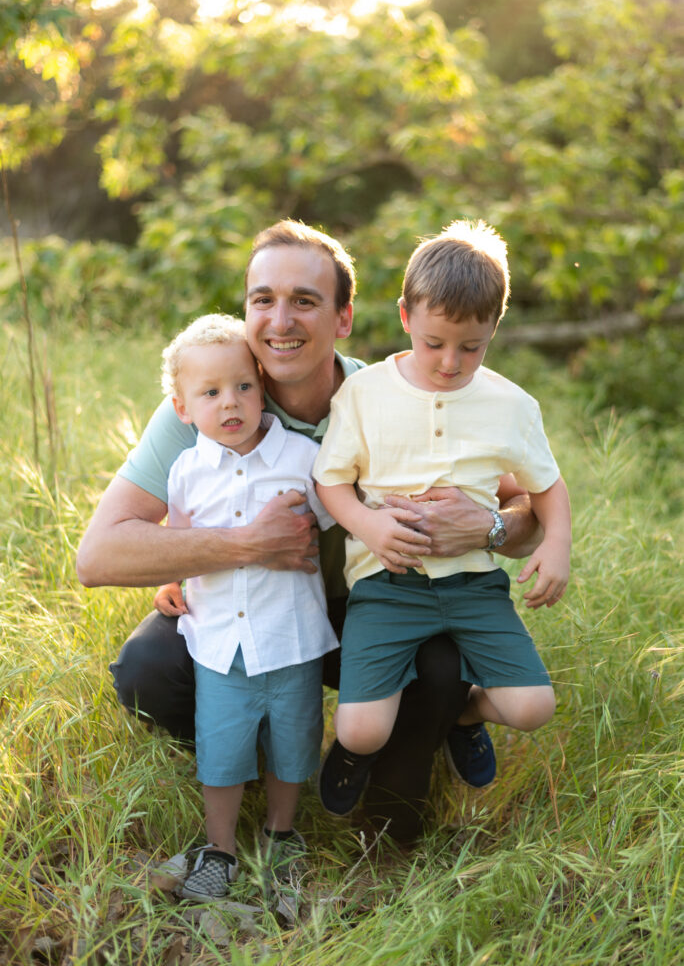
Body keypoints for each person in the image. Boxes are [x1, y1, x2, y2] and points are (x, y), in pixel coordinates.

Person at [77, 219, 543, 843]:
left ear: (343, 318)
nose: (280, 320)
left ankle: (389, 806)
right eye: (262, 300)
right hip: (247, 604)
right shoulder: (210, 397)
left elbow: (528, 518)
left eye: (305, 301)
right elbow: (97, 555)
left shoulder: (391, 398)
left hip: (368, 608)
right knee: (148, 668)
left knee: (440, 661)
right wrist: (237, 547)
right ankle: (258, 767)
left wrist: (485, 526)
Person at [313, 219, 571, 816]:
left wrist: (556, 543)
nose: (451, 362)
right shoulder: (365, 394)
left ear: (493, 330)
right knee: (361, 730)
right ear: (405, 316)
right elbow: (332, 481)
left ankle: (463, 713)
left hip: (475, 586)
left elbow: (547, 484)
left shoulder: (510, 405)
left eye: (471, 347)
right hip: (387, 584)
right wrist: (370, 526)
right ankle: (353, 756)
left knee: (533, 707)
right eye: (434, 343)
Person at [152, 312, 339, 901]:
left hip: (293, 637)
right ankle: (221, 849)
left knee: (294, 744)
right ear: (184, 409)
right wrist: (169, 580)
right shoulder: (185, 471)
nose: (229, 403)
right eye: (210, 393)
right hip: (218, 645)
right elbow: (176, 537)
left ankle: (282, 835)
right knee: (222, 752)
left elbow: (341, 521)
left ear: (262, 387)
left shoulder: (301, 460)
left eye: (242, 387)